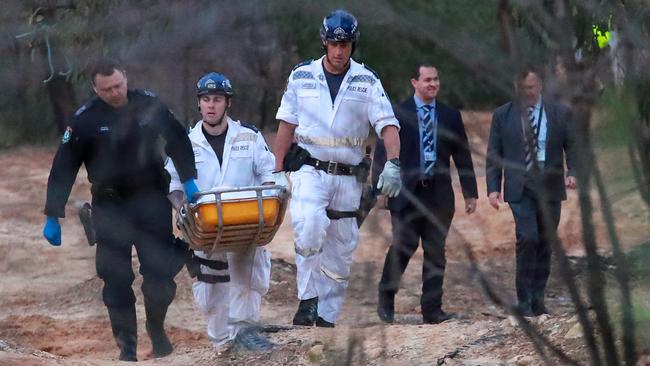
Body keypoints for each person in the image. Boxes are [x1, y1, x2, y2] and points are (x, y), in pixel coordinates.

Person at [42, 59, 199, 361]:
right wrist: (53, 214)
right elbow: (63, 167)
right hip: (110, 206)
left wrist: (189, 179)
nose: (114, 93)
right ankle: (126, 348)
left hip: (151, 200)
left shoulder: (149, 106)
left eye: (118, 85)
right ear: (95, 89)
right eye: (106, 89)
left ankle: (157, 331)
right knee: (115, 279)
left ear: (126, 78)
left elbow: (178, 139)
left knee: (160, 277)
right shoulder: (84, 120)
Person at [274, 9, 402, 328]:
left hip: (348, 175)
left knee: (341, 248)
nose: (339, 50)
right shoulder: (301, 75)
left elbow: (388, 125)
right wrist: (277, 173)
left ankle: (326, 316)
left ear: (353, 45)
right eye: (333, 43)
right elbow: (285, 125)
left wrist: (394, 164)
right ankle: (307, 300)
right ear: (324, 42)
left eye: (345, 44)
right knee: (308, 224)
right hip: (309, 168)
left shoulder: (367, 80)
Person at [165, 72, 276, 352]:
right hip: (206, 230)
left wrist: (268, 195)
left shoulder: (249, 137)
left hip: (246, 224)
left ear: (228, 103)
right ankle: (222, 348)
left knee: (247, 282)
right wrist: (182, 208)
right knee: (212, 295)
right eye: (206, 100)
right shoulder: (185, 143)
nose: (211, 105)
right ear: (198, 104)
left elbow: (268, 174)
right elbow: (173, 185)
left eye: (217, 99)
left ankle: (246, 335)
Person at [374, 64, 478, 324]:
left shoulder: (450, 116)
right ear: (414, 82)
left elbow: (462, 155)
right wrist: (380, 188)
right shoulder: (397, 113)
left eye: (436, 79)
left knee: (435, 252)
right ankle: (386, 299)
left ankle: (432, 310)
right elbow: (382, 151)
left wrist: (470, 193)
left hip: (438, 195)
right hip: (407, 193)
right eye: (427, 79)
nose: (432, 84)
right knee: (403, 247)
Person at [485, 67, 577, 317]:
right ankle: (524, 300)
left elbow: (573, 145)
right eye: (523, 88)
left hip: (550, 185)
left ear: (541, 86)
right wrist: (493, 188)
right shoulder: (503, 115)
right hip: (520, 184)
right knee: (528, 238)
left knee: (545, 241)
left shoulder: (560, 112)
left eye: (532, 88)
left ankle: (538, 298)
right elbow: (494, 153)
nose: (528, 93)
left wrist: (573, 172)